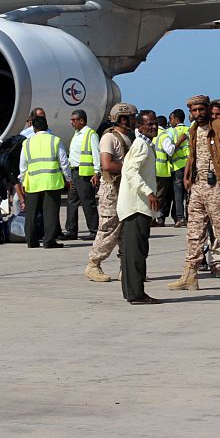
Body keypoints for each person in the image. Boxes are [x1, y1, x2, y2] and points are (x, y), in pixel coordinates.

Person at [168, 95, 220, 292]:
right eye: (194, 111)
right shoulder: (194, 129)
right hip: (197, 186)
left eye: (201, 110)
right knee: (194, 233)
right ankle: (190, 274)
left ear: (207, 109)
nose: (197, 114)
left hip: (217, 187)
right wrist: (188, 176)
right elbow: (192, 156)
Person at [85, 103, 136, 282]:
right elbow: (107, 164)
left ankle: (126, 267)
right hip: (111, 190)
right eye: (131, 117)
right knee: (108, 228)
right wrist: (130, 168)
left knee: (125, 229)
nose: (134, 120)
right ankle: (93, 264)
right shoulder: (109, 138)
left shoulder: (128, 137)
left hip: (125, 189)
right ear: (122, 118)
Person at [118, 110, 161, 304]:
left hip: (135, 206)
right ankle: (136, 293)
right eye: (149, 124)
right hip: (136, 207)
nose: (153, 127)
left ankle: (132, 292)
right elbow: (130, 171)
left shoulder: (143, 144)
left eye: (154, 123)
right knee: (136, 252)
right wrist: (148, 192)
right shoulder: (142, 145)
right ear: (139, 127)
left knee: (132, 251)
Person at [14, 114, 69, 249]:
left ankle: (31, 241)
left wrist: (23, 183)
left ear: (33, 128)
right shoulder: (55, 140)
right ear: (47, 126)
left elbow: (23, 166)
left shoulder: (26, 143)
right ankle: (49, 241)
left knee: (31, 214)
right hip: (52, 182)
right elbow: (64, 162)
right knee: (50, 213)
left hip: (33, 183)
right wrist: (68, 178)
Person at [64, 109, 100, 241]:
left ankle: (94, 230)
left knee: (87, 202)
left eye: (74, 120)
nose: (71, 122)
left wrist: (97, 172)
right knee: (72, 201)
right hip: (75, 172)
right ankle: (71, 230)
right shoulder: (76, 134)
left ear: (82, 120)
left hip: (85, 174)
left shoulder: (91, 134)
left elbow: (96, 154)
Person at [153, 115, 177, 227]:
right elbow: (170, 151)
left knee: (153, 195)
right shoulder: (163, 136)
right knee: (161, 197)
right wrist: (179, 142)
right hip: (162, 170)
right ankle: (158, 218)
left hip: (152, 169)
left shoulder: (151, 135)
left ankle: (152, 218)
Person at [167, 108, 190, 227]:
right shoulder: (190, 130)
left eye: (171, 119)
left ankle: (180, 218)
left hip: (178, 166)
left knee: (178, 193)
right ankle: (190, 216)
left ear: (176, 119)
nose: (170, 122)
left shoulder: (172, 131)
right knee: (190, 192)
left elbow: (170, 149)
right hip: (190, 165)